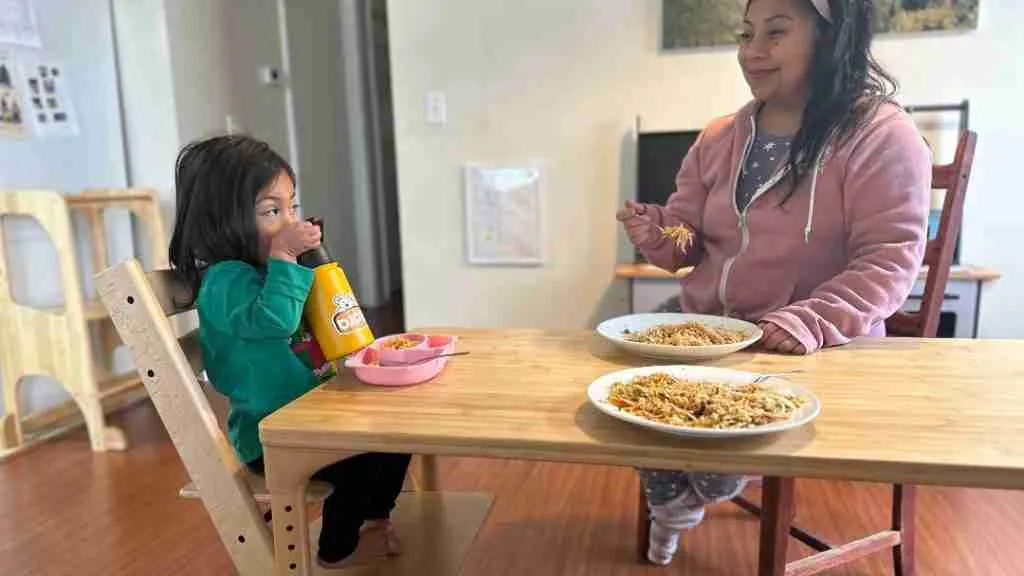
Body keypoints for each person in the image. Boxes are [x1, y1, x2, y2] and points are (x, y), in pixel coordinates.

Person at [618, 0, 931, 565]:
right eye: (745, 33)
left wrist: (804, 321)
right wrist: (657, 231)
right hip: (716, 338)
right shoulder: (719, 136)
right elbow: (685, 245)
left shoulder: (882, 134)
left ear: (831, 38)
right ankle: (676, 500)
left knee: (698, 440)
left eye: (776, 33)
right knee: (630, 387)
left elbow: (890, 259)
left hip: (812, 347)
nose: (751, 51)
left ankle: (691, 488)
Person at [168, 134, 410, 570]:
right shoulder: (226, 282)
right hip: (272, 434)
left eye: (291, 206)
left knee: (397, 437)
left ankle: (374, 521)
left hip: (313, 417)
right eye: (271, 211)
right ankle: (337, 548)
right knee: (361, 463)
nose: (288, 221)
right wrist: (284, 259)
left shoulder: (266, 273)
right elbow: (274, 322)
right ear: (223, 221)